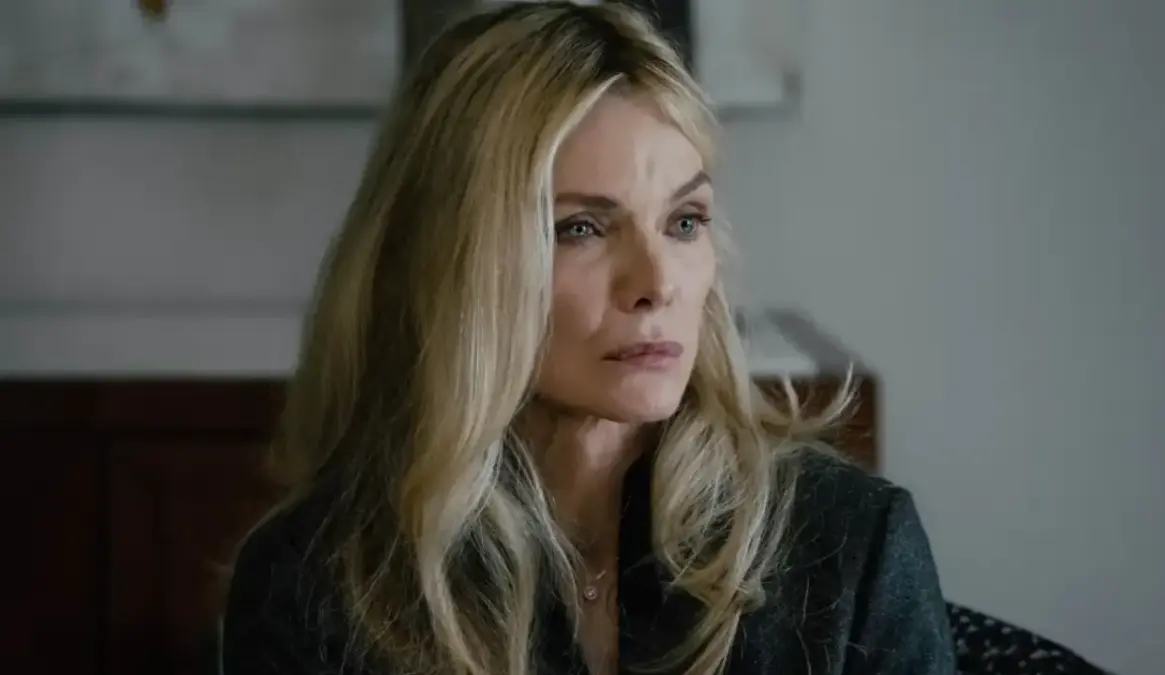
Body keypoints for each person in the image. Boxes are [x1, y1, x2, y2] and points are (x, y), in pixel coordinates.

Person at [220, 3, 955, 674]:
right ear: (453, 263)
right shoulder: (314, 584)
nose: (656, 283)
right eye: (581, 228)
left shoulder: (853, 544)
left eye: (684, 221)